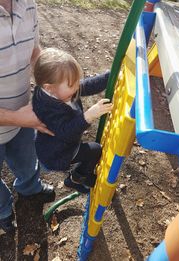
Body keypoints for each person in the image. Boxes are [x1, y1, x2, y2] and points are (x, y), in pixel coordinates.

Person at [0, 0, 55, 233]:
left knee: (26, 159)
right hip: (20, 117)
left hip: (24, 110)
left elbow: (34, 50)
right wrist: (19, 119)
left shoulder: (28, 4)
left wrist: (50, 81)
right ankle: (2, 210)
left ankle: (29, 187)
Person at [32, 48, 112, 192]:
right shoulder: (46, 108)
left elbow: (85, 86)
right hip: (56, 153)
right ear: (49, 88)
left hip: (63, 144)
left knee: (92, 149)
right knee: (95, 150)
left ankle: (76, 176)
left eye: (76, 82)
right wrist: (88, 115)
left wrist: (109, 77)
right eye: (72, 85)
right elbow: (66, 132)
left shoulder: (61, 89)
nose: (77, 87)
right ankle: (77, 178)